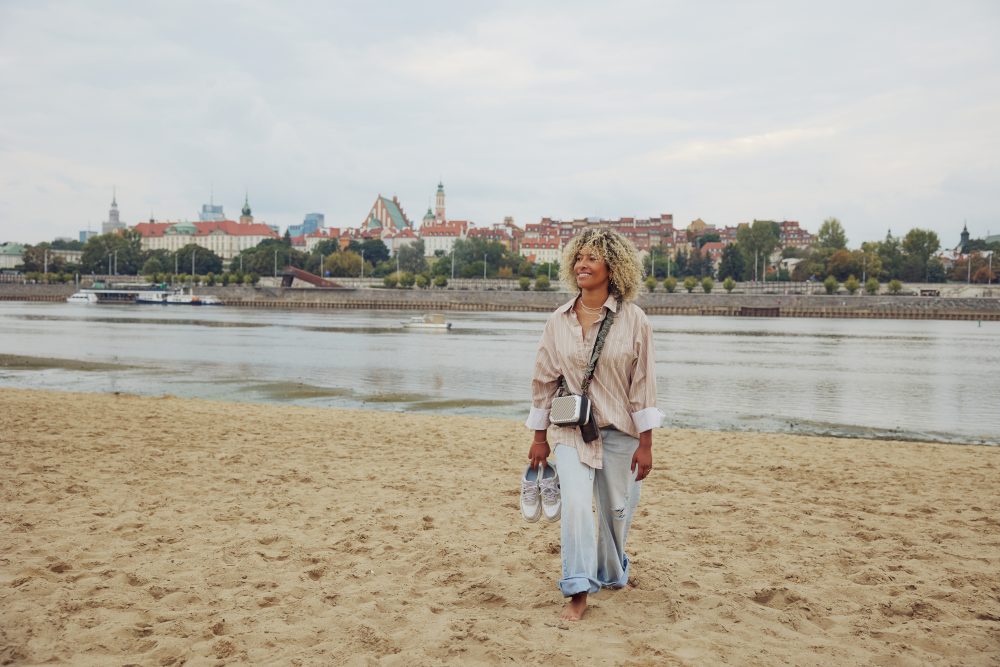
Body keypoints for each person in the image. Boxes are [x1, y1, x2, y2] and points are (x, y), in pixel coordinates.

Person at [526, 228, 664, 621]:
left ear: (612, 266)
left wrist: (647, 442)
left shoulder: (635, 320)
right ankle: (578, 590)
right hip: (570, 432)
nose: (581, 265)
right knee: (574, 506)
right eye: (578, 258)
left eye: (591, 258)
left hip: (621, 433)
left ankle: (612, 571)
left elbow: (643, 384)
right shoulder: (558, 320)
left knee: (615, 513)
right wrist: (539, 438)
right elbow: (543, 380)